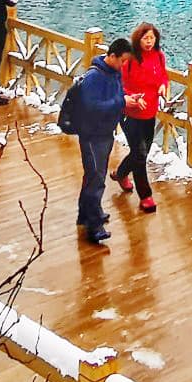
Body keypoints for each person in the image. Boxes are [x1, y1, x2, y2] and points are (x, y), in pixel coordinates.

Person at [58, 37, 135, 247]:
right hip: (92, 134)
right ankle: (94, 227)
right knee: (96, 178)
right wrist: (121, 102)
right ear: (112, 56)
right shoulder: (94, 77)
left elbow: (116, 95)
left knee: (93, 174)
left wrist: (127, 98)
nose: (124, 66)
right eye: (123, 61)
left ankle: (86, 214)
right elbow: (92, 106)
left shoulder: (113, 73)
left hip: (105, 132)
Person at [114, 21, 171, 213]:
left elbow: (163, 76)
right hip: (129, 113)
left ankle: (121, 173)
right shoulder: (129, 59)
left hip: (150, 112)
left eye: (152, 38)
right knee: (139, 154)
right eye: (145, 38)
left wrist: (162, 86)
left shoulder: (159, 56)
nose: (149, 42)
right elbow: (118, 85)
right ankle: (146, 196)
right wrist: (132, 98)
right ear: (138, 39)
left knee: (142, 152)